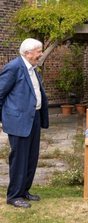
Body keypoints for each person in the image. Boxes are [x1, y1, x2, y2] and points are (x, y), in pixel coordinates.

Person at [0, 38, 49, 208]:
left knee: (31, 157)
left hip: (33, 118)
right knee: (19, 159)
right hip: (18, 121)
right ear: (28, 53)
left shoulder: (33, 68)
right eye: (38, 51)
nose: (40, 54)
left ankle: (24, 191)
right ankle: (14, 196)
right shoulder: (14, 67)